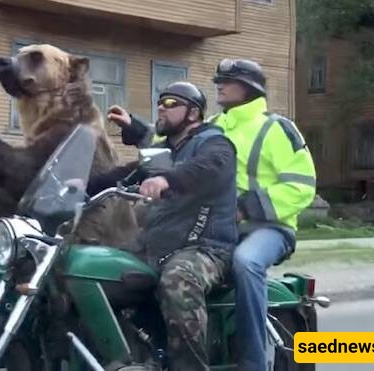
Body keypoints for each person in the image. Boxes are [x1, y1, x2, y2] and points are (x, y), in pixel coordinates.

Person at [110, 61, 317, 371]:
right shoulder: (217, 124)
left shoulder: (276, 128)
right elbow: (172, 145)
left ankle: (253, 362)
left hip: (266, 227)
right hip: (213, 225)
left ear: (250, 87)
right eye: (219, 80)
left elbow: (302, 186)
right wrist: (136, 128)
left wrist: (246, 208)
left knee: (246, 263)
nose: (219, 84)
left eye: (228, 81)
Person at [88, 82, 238, 371]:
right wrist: (81, 187)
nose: (161, 108)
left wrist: (168, 180)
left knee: (177, 280)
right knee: (93, 270)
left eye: (170, 103)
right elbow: (129, 173)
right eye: (160, 102)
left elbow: (207, 168)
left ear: (193, 113)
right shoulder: (163, 151)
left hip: (205, 247)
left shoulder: (215, 143)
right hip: (159, 244)